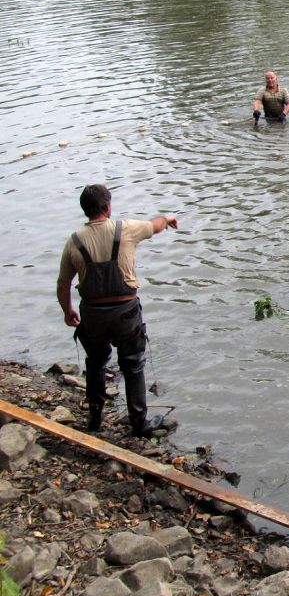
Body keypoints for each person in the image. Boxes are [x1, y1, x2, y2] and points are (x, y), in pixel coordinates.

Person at [57, 184, 178, 437]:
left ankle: (95, 418)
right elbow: (154, 225)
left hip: (92, 313)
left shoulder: (74, 241)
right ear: (108, 207)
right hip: (126, 312)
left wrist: (68, 310)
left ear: (85, 210)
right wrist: (166, 218)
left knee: (96, 363)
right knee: (133, 366)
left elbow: (63, 283)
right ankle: (139, 423)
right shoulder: (126, 229)